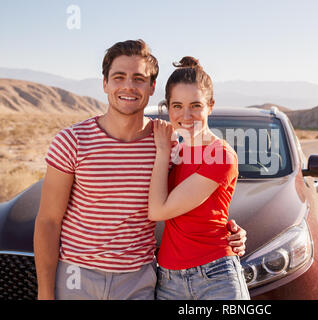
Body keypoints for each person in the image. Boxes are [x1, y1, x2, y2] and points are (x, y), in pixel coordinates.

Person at [33, 40, 247, 300]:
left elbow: (200, 199)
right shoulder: (72, 141)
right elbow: (48, 221)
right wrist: (45, 294)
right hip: (77, 279)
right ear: (105, 83)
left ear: (151, 87)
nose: (128, 86)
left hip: (139, 282)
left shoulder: (167, 142)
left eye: (138, 78)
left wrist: (229, 231)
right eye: (119, 77)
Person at [148, 56, 250, 300]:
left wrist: (162, 152)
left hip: (215, 277)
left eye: (196, 105)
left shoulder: (220, 155)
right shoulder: (175, 150)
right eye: (177, 106)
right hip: (168, 279)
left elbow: (158, 211)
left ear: (210, 106)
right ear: (168, 107)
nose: (186, 115)